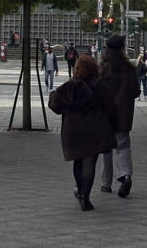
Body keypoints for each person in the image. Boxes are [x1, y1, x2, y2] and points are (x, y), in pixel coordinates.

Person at [48, 54, 116, 212]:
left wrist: (54, 96)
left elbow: (56, 106)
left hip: (73, 130)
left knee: (78, 161)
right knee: (89, 162)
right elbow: (111, 105)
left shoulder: (69, 87)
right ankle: (85, 197)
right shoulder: (99, 84)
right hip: (94, 129)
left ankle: (79, 191)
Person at [99, 35, 141, 197]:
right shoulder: (129, 68)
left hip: (106, 114)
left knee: (106, 149)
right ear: (122, 50)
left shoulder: (104, 68)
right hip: (124, 115)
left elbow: (98, 90)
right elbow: (136, 92)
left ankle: (105, 183)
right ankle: (125, 175)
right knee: (123, 147)